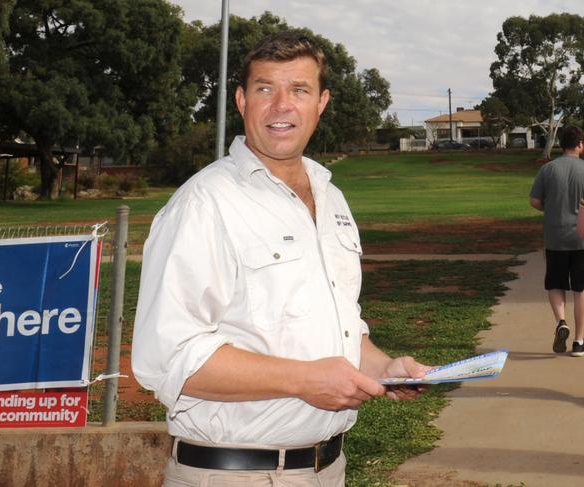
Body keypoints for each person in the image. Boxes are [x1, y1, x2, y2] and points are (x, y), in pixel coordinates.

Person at [132, 31, 430, 486]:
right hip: (234, 474)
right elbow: (168, 356)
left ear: (321, 103)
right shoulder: (205, 202)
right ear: (241, 100)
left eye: (299, 90)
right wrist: (302, 380)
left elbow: (333, 326)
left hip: (327, 470)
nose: (281, 105)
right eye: (265, 88)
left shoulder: (331, 197)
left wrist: (382, 368)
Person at [530, 126, 584, 357]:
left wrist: (551, 208)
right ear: (580, 144)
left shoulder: (548, 169)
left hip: (555, 237)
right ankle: (579, 342)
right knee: (580, 289)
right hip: (582, 238)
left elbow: (534, 201)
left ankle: (561, 321)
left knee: (555, 283)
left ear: (561, 144)